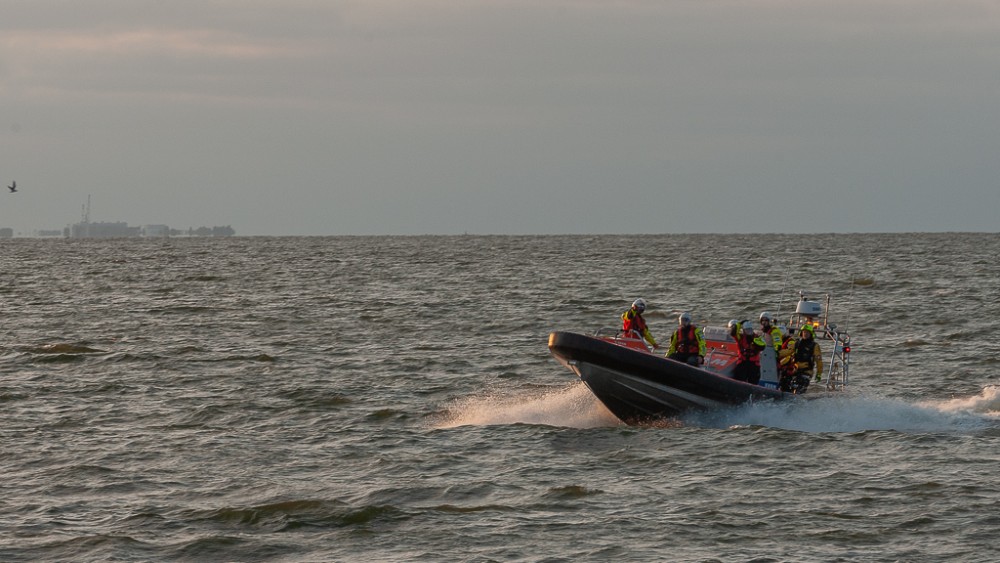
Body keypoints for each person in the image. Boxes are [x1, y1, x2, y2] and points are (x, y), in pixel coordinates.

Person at [781, 324, 824, 393]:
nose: (805, 334)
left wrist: (819, 373)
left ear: (811, 334)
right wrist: (777, 354)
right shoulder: (797, 343)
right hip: (795, 371)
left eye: (807, 332)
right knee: (784, 382)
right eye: (804, 332)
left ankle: (797, 399)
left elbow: (819, 360)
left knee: (798, 389)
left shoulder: (815, 346)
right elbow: (788, 352)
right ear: (801, 333)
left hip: (806, 373)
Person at [733, 319, 766, 384]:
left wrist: (756, 345)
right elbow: (733, 332)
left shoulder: (757, 337)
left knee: (754, 381)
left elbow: (763, 346)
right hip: (742, 362)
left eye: (750, 330)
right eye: (747, 330)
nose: (749, 332)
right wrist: (739, 323)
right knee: (739, 379)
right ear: (744, 330)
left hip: (754, 364)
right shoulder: (741, 337)